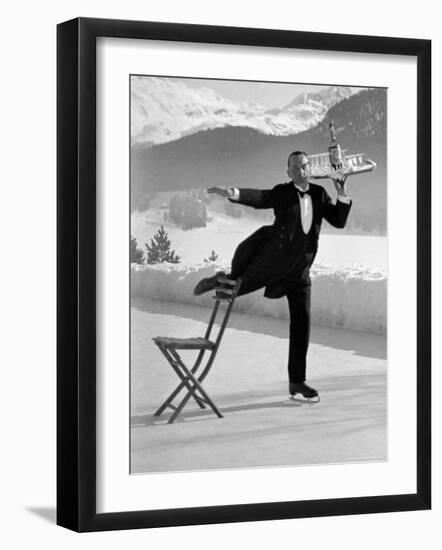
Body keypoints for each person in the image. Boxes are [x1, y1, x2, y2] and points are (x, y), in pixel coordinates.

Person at [193, 151, 352, 399]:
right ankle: (221, 279)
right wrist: (233, 193)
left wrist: (341, 191)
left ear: (309, 168)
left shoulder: (320, 194)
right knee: (235, 288)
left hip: (300, 271)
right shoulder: (283, 192)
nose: (300, 170)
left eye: (304, 166)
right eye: (295, 168)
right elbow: (260, 197)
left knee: (302, 324)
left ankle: (297, 382)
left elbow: (339, 221)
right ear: (288, 172)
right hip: (274, 261)